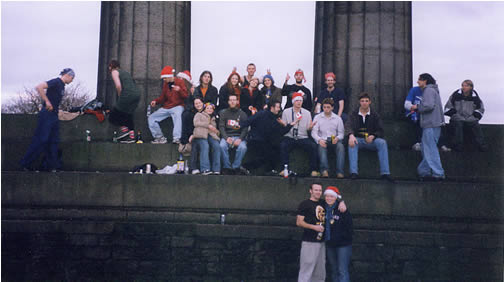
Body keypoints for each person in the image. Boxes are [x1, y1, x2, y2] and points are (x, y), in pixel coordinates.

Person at [20, 68, 75, 171]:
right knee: (42, 139)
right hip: (47, 114)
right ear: (68, 75)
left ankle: (51, 166)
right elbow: (39, 87)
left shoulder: (62, 86)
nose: (72, 81)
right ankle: (25, 163)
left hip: (54, 115)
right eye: (72, 78)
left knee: (54, 141)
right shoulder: (56, 81)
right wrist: (47, 102)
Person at [296, 183, 346, 282]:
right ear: (310, 191)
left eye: (320, 190)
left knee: (320, 271)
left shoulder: (323, 203)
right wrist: (313, 227)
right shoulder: (304, 204)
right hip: (309, 241)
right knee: (306, 270)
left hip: (322, 242)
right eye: (316, 190)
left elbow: (335, 200)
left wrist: (342, 202)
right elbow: (299, 222)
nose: (318, 192)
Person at [240, 100, 296, 175]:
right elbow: (280, 132)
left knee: (275, 150)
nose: (279, 109)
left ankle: (269, 170)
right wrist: (289, 125)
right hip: (256, 140)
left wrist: (287, 125)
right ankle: (246, 167)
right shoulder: (269, 117)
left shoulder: (268, 116)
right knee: (268, 154)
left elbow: (248, 121)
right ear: (272, 107)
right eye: (278, 107)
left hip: (261, 140)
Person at [347, 92, 394, 182]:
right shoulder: (353, 113)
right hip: (358, 140)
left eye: (366, 101)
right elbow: (348, 126)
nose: (364, 103)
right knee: (352, 143)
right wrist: (351, 135)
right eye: (362, 101)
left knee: (382, 143)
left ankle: (385, 173)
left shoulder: (374, 114)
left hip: (371, 140)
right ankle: (353, 172)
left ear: (370, 102)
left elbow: (381, 129)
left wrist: (373, 136)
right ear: (359, 102)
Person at [410, 73, 445, 181]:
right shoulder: (433, 90)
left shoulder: (428, 91)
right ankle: (424, 172)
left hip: (430, 124)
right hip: (434, 124)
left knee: (430, 149)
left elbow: (429, 105)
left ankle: (438, 173)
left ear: (425, 81)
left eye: (419, 80)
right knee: (427, 149)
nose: (417, 82)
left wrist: (417, 107)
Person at [280, 92, 319, 177]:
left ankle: (314, 170)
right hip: (290, 136)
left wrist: (310, 127)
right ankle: (284, 169)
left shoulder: (307, 113)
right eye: (297, 100)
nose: (299, 102)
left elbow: (308, 128)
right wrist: (285, 124)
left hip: (302, 137)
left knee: (313, 146)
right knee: (283, 145)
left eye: (300, 101)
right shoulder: (286, 112)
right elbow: (284, 127)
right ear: (293, 101)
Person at [444, 79, 488, 152]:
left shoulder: (475, 97)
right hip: (457, 118)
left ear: (471, 87)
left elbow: (480, 109)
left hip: (470, 118)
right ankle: (457, 147)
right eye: (462, 85)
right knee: (458, 125)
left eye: (466, 86)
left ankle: (482, 145)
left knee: (476, 125)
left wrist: (474, 117)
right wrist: (455, 115)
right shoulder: (455, 95)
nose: (463, 87)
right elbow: (448, 107)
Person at [148, 65, 188, 144]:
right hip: (167, 107)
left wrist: (179, 90)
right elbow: (163, 97)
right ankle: (159, 137)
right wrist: (156, 101)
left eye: (165, 78)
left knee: (177, 115)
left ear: (169, 76)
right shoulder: (165, 84)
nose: (164, 79)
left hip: (178, 106)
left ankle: (177, 138)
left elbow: (186, 95)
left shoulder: (180, 82)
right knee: (151, 118)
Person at [107, 60, 141, 143]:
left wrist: (120, 95)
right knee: (128, 114)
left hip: (127, 94)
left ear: (111, 66)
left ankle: (125, 131)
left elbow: (118, 85)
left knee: (112, 116)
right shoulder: (125, 72)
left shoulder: (114, 72)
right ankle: (131, 137)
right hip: (137, 94)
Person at [181, 71, 218, 146]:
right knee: (186, 114)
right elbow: (191, 101)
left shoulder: (214, 89)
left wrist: (204, 107)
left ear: (210, 79)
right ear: (201, 78)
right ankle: (185, 139)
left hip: (208, 110)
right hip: (197, 109)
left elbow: (213, 103)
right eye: (205, 76)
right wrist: (192, 94)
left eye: (208, 77)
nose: (207, 78)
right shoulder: (196, 89)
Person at [324, 186, 353, 282]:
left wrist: (342, 201)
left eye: (331, 196)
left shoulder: (342, 209)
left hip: (343, 245)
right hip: (329, 244)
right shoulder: (323, 208)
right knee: (334, 270)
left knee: (342, 270)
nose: (329, 198)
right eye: (327, 196)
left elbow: (349, 227)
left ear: (336, 197)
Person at [312, 98, 345, 178]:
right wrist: (319, 140)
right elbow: (314, 132)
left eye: (328, 107)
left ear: (332, 108)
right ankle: (324, 171)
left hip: (334, 140)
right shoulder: (317, 117)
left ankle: (340, 172)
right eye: (324, 107)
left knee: (340, 147)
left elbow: (341, 133)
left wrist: (337, 138)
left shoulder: (338, 118)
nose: (326, 109)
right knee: (321, 147)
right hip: (323, 139)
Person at [218, 94, 249, 175]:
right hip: (227, 136)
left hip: (238, 136)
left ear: (237, 101)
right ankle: (226, 167)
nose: (232, 102)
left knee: (243, 147)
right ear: (228, 102)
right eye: (230, 100)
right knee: (222, 146)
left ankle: (236, 167)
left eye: (234, 100)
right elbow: (221, 127)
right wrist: (226, 138)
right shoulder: (224, 113)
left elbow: (245, 128)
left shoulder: (242, 114)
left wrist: (240, 139)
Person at [191, 103, 221, 175]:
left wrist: (217, 132)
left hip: (210, 135)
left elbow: (215, 130)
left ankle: (216, 169)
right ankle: (205, 169)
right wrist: (208, 125)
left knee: (217, 146)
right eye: (208, 108)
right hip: (200, 135)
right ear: (204, 109)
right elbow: (196, 123)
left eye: (211, 108)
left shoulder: (214, 118)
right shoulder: (199, 114)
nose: (209, 110)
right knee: (205, 146)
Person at [187, 98, 205, 174]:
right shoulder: (192, 114)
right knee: (194, 144)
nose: (198, 105)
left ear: (203, 103)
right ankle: (193, 167)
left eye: (199, 103)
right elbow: (191, 127)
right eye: (196, 104)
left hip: (205, 134)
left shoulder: (207, 111)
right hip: (196, 135)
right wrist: (192, 135)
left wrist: (194, 135)